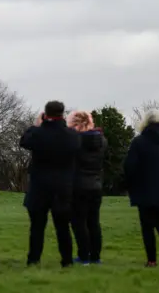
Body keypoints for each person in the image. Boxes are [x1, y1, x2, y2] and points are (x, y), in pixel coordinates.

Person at [19, 101, 81, 268]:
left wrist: (35, 125)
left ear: (45, 114)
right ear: (62, 114)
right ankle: (67, 260)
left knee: (37, 227)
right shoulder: (72, 135)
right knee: (63, 228)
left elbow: (24, 141)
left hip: (39, 186)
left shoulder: (39, 134)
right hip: (63, 187)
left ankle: (33, 259)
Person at [124, 109, 159, 267]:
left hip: (143, 189)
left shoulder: (139, 142)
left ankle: (152, 260)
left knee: (147, 225)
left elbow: (130, 167)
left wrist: (129, 185)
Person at [67, 110, 106, 265]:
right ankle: (95, 256)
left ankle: (83, 256)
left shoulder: (74, 142)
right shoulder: (102, 141)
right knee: (93, 221)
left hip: (78, 185)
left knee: (78, 222)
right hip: (95, 184)